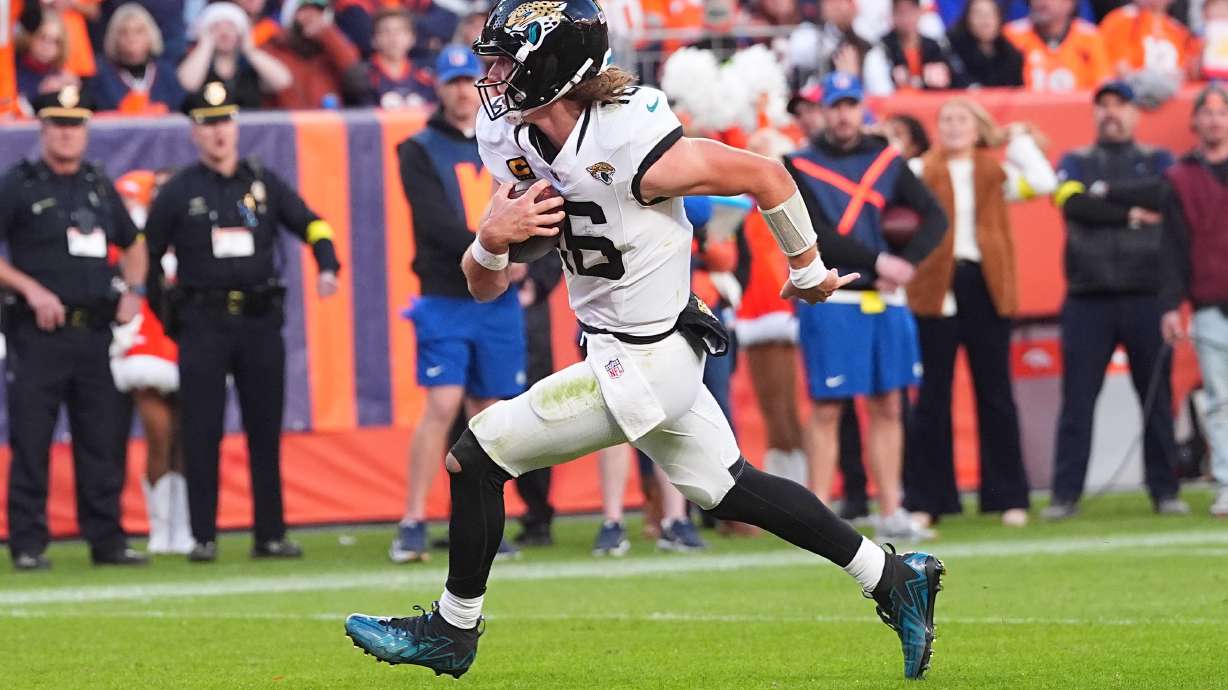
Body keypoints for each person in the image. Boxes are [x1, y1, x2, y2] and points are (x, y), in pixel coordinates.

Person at [344, 1, 945, 681]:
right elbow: (484, 285)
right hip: (621, 346)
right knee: (728, 488)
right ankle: (892, 576)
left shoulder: (632, 140)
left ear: (551, 66)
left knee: (476, 457)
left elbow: (766, 176)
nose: (490, 76)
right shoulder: (511, 136)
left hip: (650, 357)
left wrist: (805, 271)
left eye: (505, 60)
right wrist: (490, 241)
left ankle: (452, 631)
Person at [143, 82, 342, 562]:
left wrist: (328, 264)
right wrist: (169, 318)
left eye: (225, 122)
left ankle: (269, 533)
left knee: (263, 428)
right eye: (209, 124)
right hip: (202, 323)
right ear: (194, 132)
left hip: (258, 322)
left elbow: (312, 223)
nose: (219, 133)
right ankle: (203, 536)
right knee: (201, 429)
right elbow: (145, 255)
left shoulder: (262, 182)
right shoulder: (178, 191)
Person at [782, 72, 947, 542]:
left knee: (889, 404)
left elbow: (936, 216)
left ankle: (891, 508)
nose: (842, 115)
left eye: (850, 105)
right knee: (828, 406)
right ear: (821, 111)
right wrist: (881, 259)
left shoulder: (887, 160)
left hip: (887, 299)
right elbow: (816, 233)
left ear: (863, 109)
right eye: (834, 105)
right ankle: (817, 511)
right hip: (834, 297)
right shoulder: (798, 164)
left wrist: (909, 263)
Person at [0, 86, 148, 570]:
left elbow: (133, 243)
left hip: (94, 333)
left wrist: (134, 290)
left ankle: (107, 540)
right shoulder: (19, 184)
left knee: (101, 440)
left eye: (76, 125)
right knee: (32, 439)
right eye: (59, 125)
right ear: (43, 129)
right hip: (37, 333)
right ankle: (26, 542)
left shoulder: (99, 185)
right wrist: (30, 289)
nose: (68, 134)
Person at [389, 45, 522, 564]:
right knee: (442, 406)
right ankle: (413, 519)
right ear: (439, 89)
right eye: (452, 83)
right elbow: (433, 221)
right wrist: (493, 251)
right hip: (447, 293)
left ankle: (484, 521)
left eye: (469, 81)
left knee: (490, 415)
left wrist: (525, 261)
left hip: (497, 298)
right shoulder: (418, 148)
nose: (462, 91)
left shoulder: (508, 140)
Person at [904, 98, 1056, 530]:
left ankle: (1009, 496)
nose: (952, 127)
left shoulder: (995, 172)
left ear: (978, 128)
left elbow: (1043, 181)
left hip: (986, 285)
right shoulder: (921, 171)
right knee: (933, 397)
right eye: (945, 120)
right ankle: (928, 500)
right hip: (936, 289)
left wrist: (1017, 138)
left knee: (996, 394)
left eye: (962, 120)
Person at [1044, 81, 1188, 519]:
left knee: (1157, 399)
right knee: (1077, 401)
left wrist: (1102, 191)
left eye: (1120, 105)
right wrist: (1128, 211)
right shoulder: (1074, 160)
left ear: (1135, 112)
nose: (1111, 113)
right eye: (1103, 105)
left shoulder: (1160, 159)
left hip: (1147, 293)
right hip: (1088, 296)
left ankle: (1165, 490)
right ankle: (1065, 494)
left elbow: (1164, 196)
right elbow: (1071, 204)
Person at [1096, 85, 1228, 515]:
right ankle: (1226, 481)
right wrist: (1171, 304)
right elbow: (1172, 247)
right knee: (1219, 400)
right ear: (1194, 123)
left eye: (1221, 113)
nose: (1213, 121)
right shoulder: (1182, 177)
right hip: (1210, 303)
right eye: (1206, 113)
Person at [111, 167, 193, 555]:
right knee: (158, 432)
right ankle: (159, 526)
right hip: (144, 335)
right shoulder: (133, 233)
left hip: (183, 332)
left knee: (186, 435)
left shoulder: (185, 225)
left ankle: (183, 526)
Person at [176, 1, 291, 109]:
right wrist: (204, 46)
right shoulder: (195, 59)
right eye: (216, 26)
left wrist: (250, 50)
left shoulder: (250, 65)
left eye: (231, 26)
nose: (224, 32)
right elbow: (188, 84)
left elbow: (282, 82)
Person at [265, 0, 365, 108]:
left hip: (328, 121)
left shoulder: (333, 47)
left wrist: (328, 34)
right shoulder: (275, 48)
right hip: (289, 121)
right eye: (304, 10)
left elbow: (357, 76)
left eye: (317, 11)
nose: (311, 17)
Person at [91, 2, 185, 114]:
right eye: (123, 32)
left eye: (139, 31)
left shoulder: (165, 73)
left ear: (150, 35)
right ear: (114, 37)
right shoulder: (101, 75)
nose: (131, 38)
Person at [1003, 0, 1111, 91]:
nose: (1041, 2)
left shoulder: (1090, 37)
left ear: (1069, 3)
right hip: (1024, 112)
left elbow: (1102, 87)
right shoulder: (1012, 36)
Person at [359, 7, 435, 109]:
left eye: (400, 31)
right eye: (385, 31)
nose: (393, 37)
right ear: (374, 39)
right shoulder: (362, 76)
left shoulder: (425, 77)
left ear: (412, 38)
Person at [1099, 0, 1196, 79]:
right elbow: (1119, 68)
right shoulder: (1122, 20)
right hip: (1133, 92)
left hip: (1174, 93)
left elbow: (1188, 70)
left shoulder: (1177, 29)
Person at [946, 0, 1025, 88]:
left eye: (990, 14)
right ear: (967, 18)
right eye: (979, 14)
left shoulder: (1012, 54)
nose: (985, 21)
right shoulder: (951, 49)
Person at [882, 0, 952, 90]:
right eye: (901, 13)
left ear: (920, 12)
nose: (906, 18)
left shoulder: (932, 46)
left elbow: (949, 77)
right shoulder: (884, 47)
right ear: (892, 14)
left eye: (911, 12)